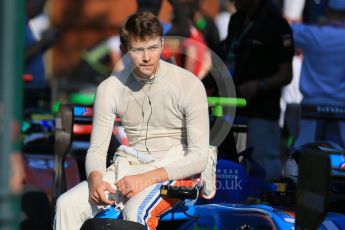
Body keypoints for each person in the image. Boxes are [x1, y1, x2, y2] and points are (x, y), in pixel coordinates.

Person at [54, 11, 210, 230]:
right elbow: (97, 150)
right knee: (66, 205)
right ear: (123, 50)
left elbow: (199, 157)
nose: (147, 57)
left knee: (135, 211)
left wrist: (145, 179)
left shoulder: (189, 84)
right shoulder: (109, 88)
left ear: (163, 44)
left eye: (153, 48)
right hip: (126, 168)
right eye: (138, 50)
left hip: (178, 171)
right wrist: (95, 180)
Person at [222, 0, 294, 181]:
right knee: (233, 170)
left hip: (262, 113)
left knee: (262, 171)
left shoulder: (276, 23)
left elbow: (286, 74)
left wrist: (259, 85)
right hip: (233, 108)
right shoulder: (236, 20)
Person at [292, 0, 345, 147]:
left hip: (312, 108)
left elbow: (285, 29)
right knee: (340, 160)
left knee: (305, 154)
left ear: (328, 12)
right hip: (341, 110)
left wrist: (319, 24)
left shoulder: (313, 33)